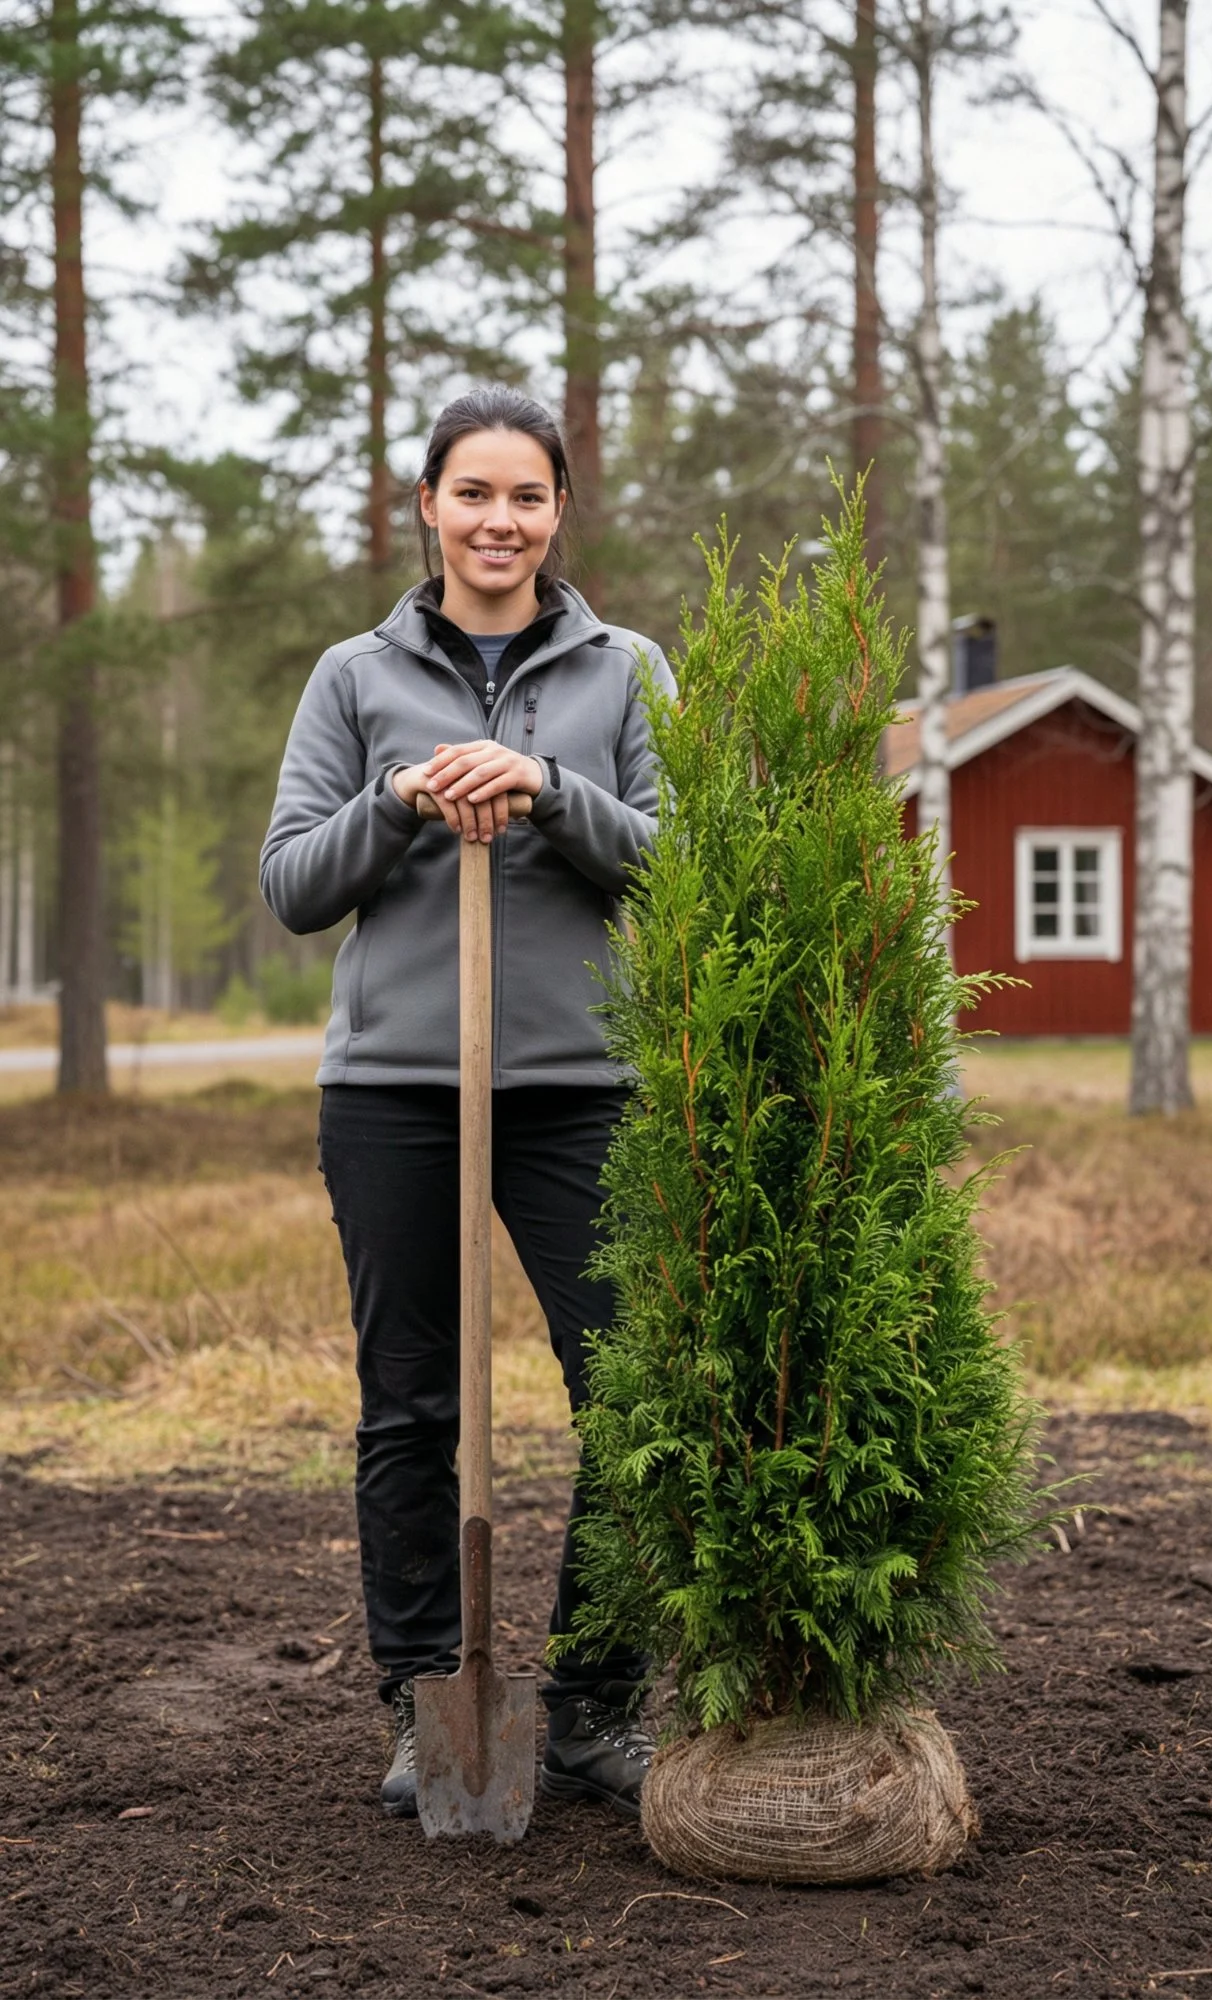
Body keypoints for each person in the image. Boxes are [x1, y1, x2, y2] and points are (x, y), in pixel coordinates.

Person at [260, 386, 675, 1820]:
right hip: (394, 1090)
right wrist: (398, 801)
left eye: (530, 497)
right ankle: (424, 1700)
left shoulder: (625, 671)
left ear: (561, 512)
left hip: (584, 1090)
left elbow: (681, 870)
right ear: (428, 504)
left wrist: (553, 788)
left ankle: (594, 1707)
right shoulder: (353, 676)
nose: (501, 521)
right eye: (474, 494)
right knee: (409, 1410)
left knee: (633, 1399)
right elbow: (294, 884)